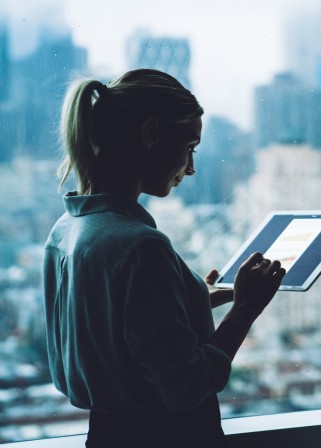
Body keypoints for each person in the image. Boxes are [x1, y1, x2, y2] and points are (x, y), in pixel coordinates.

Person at [43, 68, 285, 447]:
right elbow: (186, 389)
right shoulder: (141, 247)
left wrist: (190, 300)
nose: (190, 168)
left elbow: (112, 336)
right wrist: (246, 309)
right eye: (189, 147)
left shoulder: (66, 233)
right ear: (151, 134)